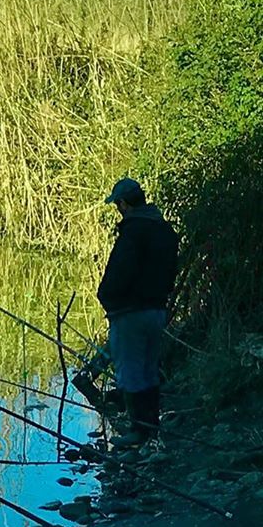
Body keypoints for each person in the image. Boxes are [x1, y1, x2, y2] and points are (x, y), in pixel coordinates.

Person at [96, 178, 179, 444]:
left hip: (129, 313)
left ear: (124, 204)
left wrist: (107, 297)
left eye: (118, 204)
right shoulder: (164, 231)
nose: (118, 210)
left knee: (130, 371)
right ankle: (151, 428)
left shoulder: (132, 233)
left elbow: (119, 273)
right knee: (149, 369)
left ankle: (138, 432)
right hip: (157, 310)